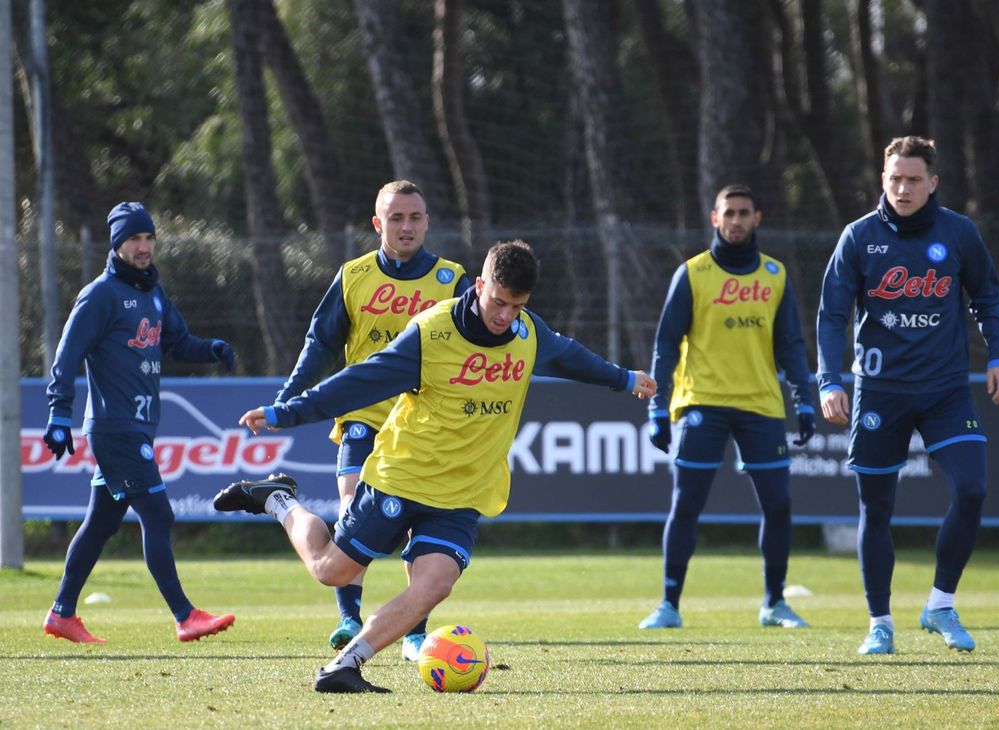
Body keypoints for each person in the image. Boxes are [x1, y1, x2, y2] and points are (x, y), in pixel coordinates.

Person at [214, 240, 656, 693]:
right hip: (402, 477)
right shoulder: (431, 333)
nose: (505, 315)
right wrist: (286, 412)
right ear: (480, 284)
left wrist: (624, 379)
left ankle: (344, 666)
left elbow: (570, 356)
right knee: (333, 571)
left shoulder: (528, 333)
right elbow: (358, 383)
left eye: (517, 306)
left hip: (463, 492)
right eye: (498, 302)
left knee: (435, 584)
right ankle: (280, 500)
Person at [817, 136, 999, 655]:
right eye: (894, 179)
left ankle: (940, 604)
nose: (903, 188)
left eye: (913, 179)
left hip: (946, 390)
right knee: (876, 510)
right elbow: (832, 315)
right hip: (880, 392)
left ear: (933, 183)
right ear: (883, 179)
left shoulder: (959, 233)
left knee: (971, 489)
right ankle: (879, 623)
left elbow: (987, 295)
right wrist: (829, 380)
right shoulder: (858, 238)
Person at [274, 180, 468, 657]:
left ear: (427, 222)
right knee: (351, 514)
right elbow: (320, 344)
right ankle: (348, 619)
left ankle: (415, 632)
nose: (407, 226)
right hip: (363, 419)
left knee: (413, 527)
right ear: (377, 223)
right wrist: (288, 398)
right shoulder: (354, 275)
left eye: (415, 218)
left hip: (424, 427)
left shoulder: (452, 280)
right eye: (396, 218)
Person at [42, 202, 238, 644]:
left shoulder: (153, 292)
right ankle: (185, 616)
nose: (144, 246)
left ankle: (62, 614)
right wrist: (59, 412)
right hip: (116, 427)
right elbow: (67, 356)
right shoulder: (101, 295)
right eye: (134, 239)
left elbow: (177, 342)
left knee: (101, 523)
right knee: (158, 512)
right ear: (117, 244)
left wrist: (210, 350)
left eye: (149, 237)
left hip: (137, 425)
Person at [639, 184, 817, 632]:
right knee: (686, 504)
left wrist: (805, 399)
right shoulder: (693, 273)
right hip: (703, 402)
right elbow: (665, 342)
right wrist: (657, 407)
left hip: (760, 404)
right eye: (728, 213)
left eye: (744, 213)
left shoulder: (775, 275)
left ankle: (774, 603)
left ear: (758, 218)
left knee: (779, 505)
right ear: (714, 219)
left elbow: (791, 344)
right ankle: (669, 604)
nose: (736, 220)